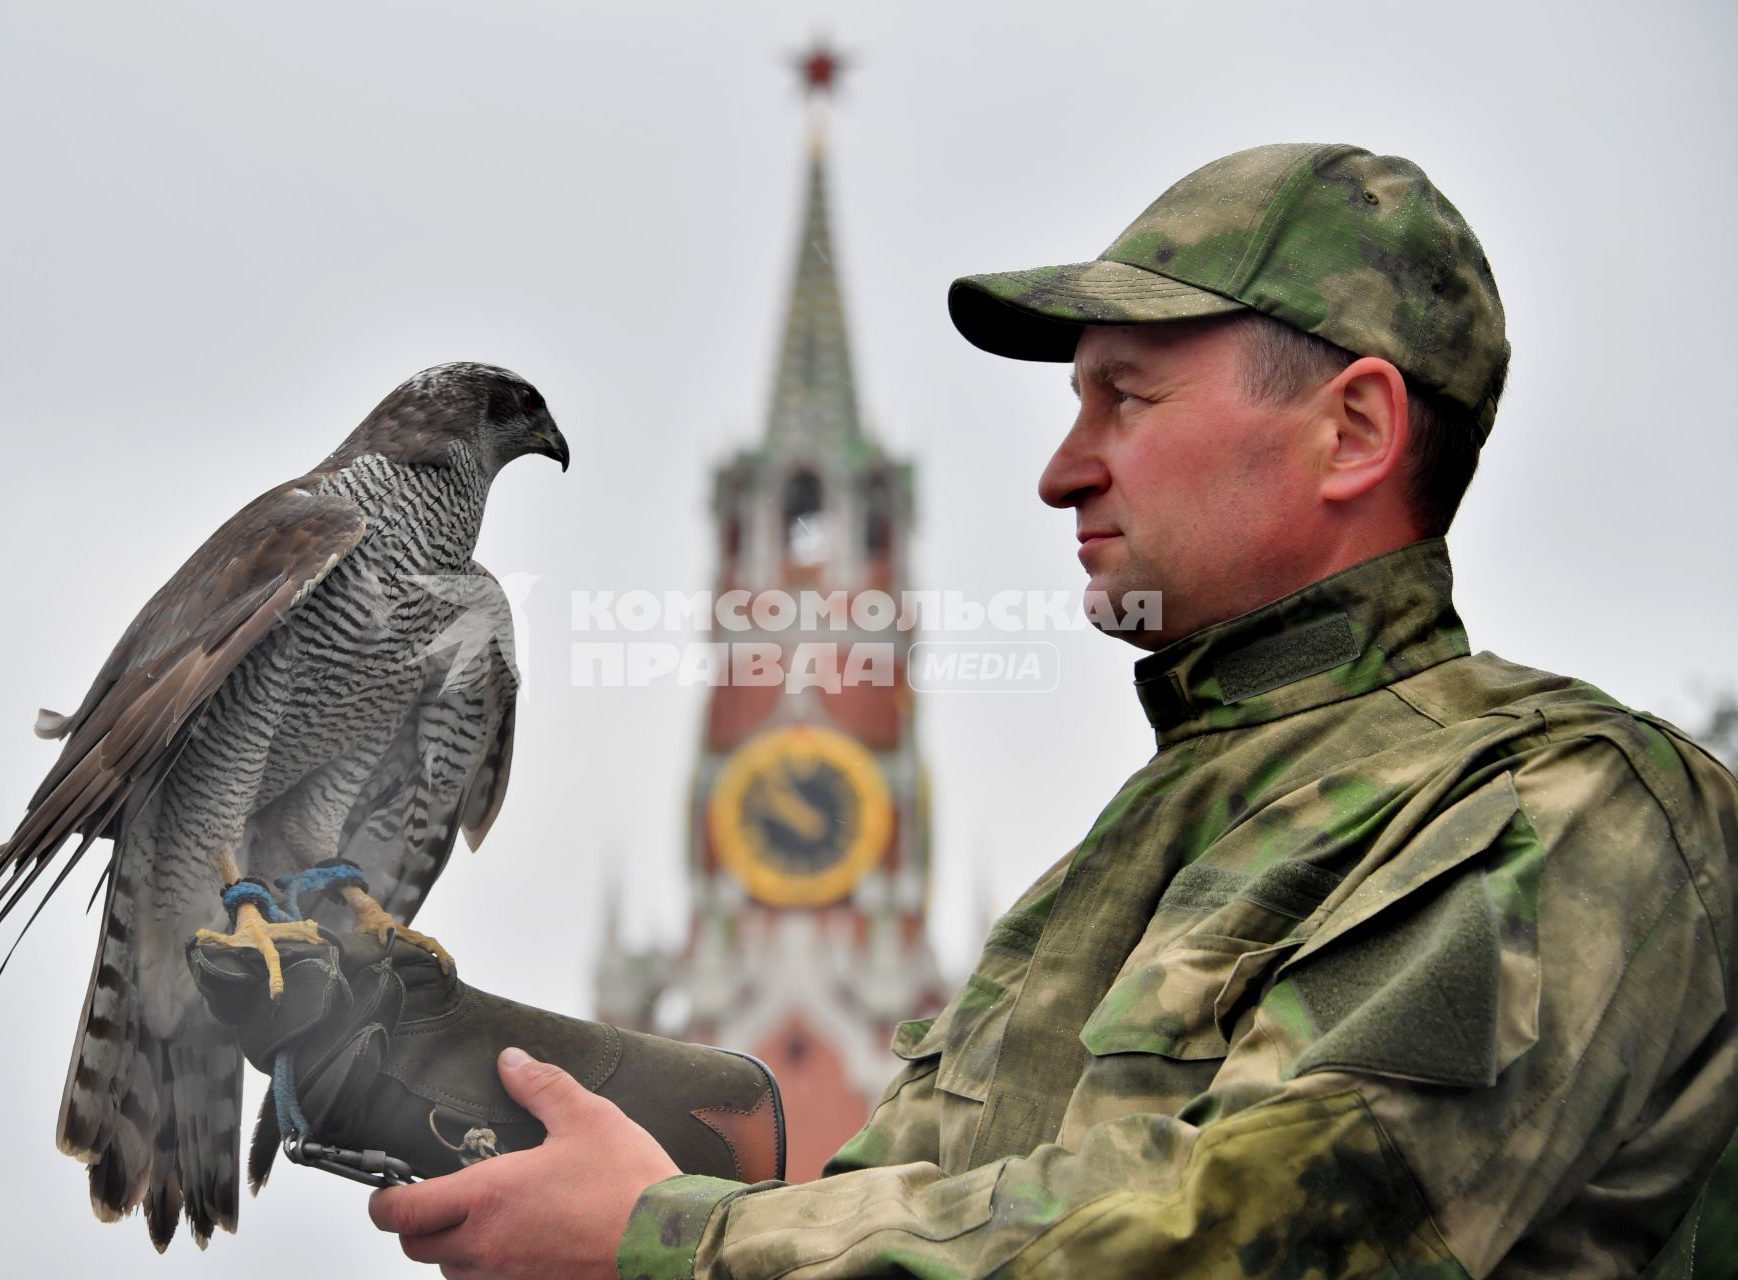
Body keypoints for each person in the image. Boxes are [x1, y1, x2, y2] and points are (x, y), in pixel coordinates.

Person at [358, 143, 1738, 1277]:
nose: (1060, 472)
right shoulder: (1155, 844)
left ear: (1355, 431)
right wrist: (481, 1071)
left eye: (1122, 401)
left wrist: (669, 1245)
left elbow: (1240, 1241)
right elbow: (918, 1199)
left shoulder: (1560, 806)